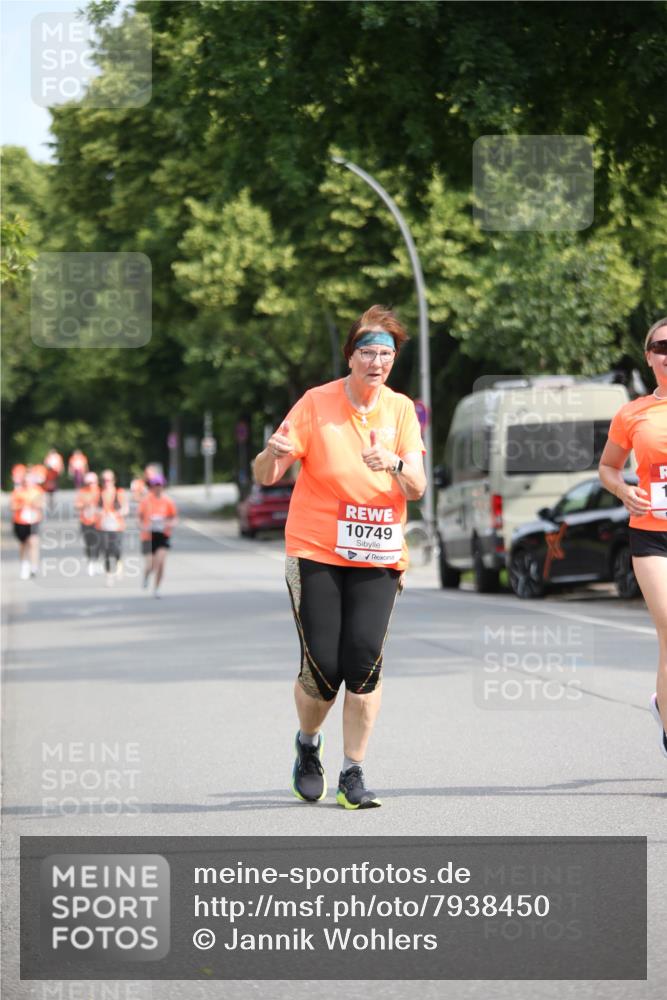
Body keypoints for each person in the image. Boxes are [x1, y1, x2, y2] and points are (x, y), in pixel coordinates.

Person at [253, 305, 426, 809]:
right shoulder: (314, 404)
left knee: (364, 661)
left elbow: (415, 487)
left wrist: (392, 463)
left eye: (387, 354)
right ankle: (308, 747)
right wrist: (272, 451)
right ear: (351, 355)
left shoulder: (400, 411)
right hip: (317, 550)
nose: (378, 362)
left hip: (378, 552)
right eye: (369, 352)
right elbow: (268, 474)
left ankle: (353, 772)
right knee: (324, 669)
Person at [599, 315, 667, 761]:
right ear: (649, 356)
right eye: (662, 347)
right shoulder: (633, 413)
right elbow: (607, 468)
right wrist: (625, 491)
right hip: (652, 536)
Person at [137, 474, 178, 597]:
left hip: (162, 535)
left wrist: (169, 524)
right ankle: (146, 575)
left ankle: (156, 588)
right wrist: (142, 526)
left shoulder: (168, 501)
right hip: (148, 536)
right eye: (155, 485)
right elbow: (138, 518)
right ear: (151, 487)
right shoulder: (146, 501)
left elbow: (174, 518)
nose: (158, 488)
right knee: (151, 565)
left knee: (160, 563)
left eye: (160, 485)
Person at [95, 469, 129, 586]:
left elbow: (125, 509)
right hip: (103, 526)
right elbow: (93, 509)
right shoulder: (98, 493)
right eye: (104, 480)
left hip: (117, 526)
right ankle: (109, 575)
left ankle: (119, 563)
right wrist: (101, 513)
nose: (106, 482)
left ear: (114, 481)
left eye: (108, 480)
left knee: (116, 550)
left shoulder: (119, 493)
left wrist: (115, 514)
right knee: (106, 550)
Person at [11, 465, 45, 579]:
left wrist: (34, 504)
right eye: (25, 480)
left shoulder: (37, 491)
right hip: (20, 521)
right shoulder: (18, 492)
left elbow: (42, 504)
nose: (27, 483)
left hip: (34, 520)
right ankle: (24, 565)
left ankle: (34, 566)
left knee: (33, 541)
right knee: (23, 544)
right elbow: (12, 506)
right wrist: (23, 504)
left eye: (29, 480)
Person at [75, 471, 101, 575]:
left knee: (98, 542)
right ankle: (90, 561)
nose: (91, 485)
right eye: (89, 483)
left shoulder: (100, 491)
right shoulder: (82, 492)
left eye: (93, 482)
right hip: (85, 521)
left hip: (98, 521)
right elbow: (76, 505)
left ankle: (96, 561)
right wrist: (85, 505)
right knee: (88, 542)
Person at [43, 447, 64, 513]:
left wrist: (60, 470)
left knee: (53, 490)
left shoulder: (58, 457)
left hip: (55, 473)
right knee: (50, 492)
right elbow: (45, 463)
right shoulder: (48, 457)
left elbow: (60, 464)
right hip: (49, 478)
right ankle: (50, 501)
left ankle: (52, 497)